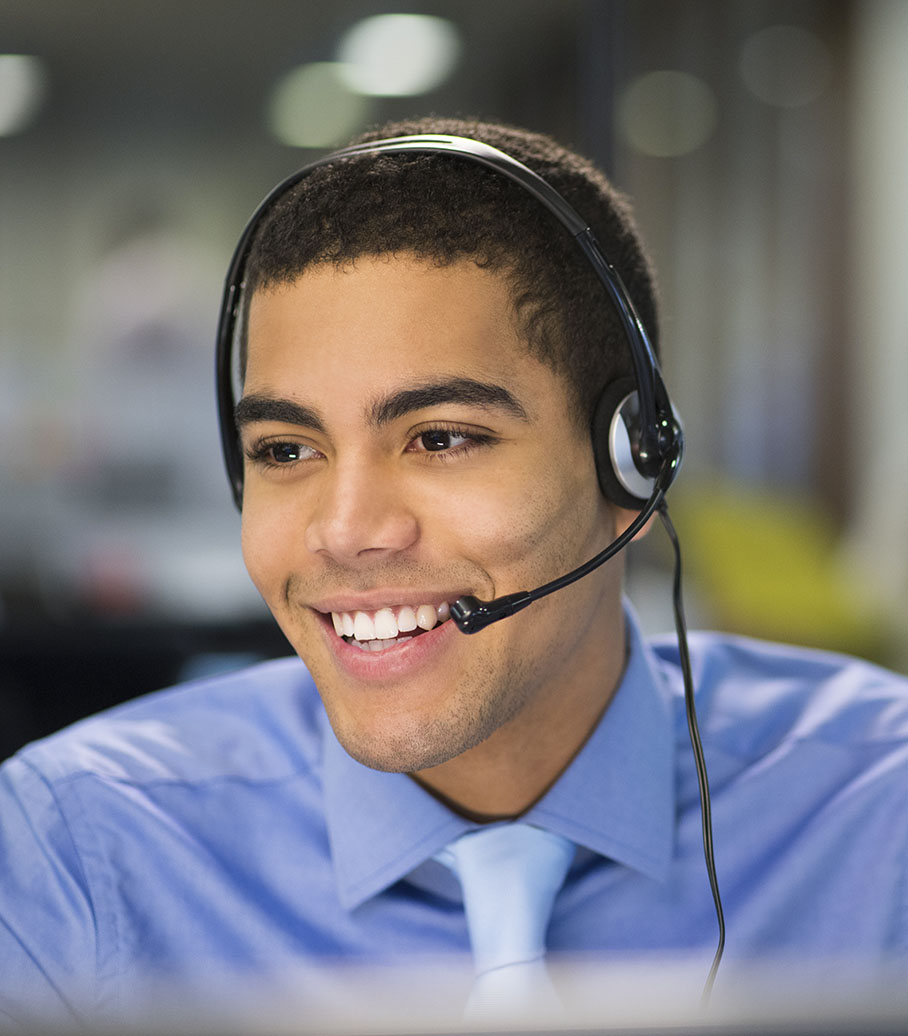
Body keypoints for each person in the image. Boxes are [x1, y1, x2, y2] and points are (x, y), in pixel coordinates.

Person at [1, 115, 907, 1028]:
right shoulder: (75, 848)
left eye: (442, 438)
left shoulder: (881, 814)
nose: (347, 532)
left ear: (634, 465)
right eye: (284, 449)